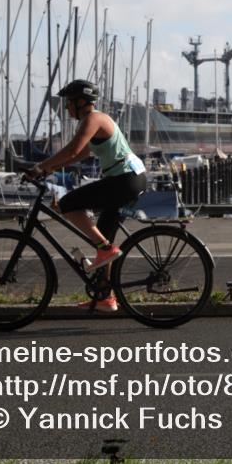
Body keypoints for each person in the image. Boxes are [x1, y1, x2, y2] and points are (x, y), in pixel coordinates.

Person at [29, 79, 146, 312]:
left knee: (68, 204)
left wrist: (40, 167)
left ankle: (105, 250)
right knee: (103, 237)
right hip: (129, 178)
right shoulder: (95, 121)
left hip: (125, 179)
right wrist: (50, 168)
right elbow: (79, 155)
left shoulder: (92, 119)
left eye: (68, 103)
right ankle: (105, 296)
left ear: (81, 102)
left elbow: (72, 149)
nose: (66, 108)